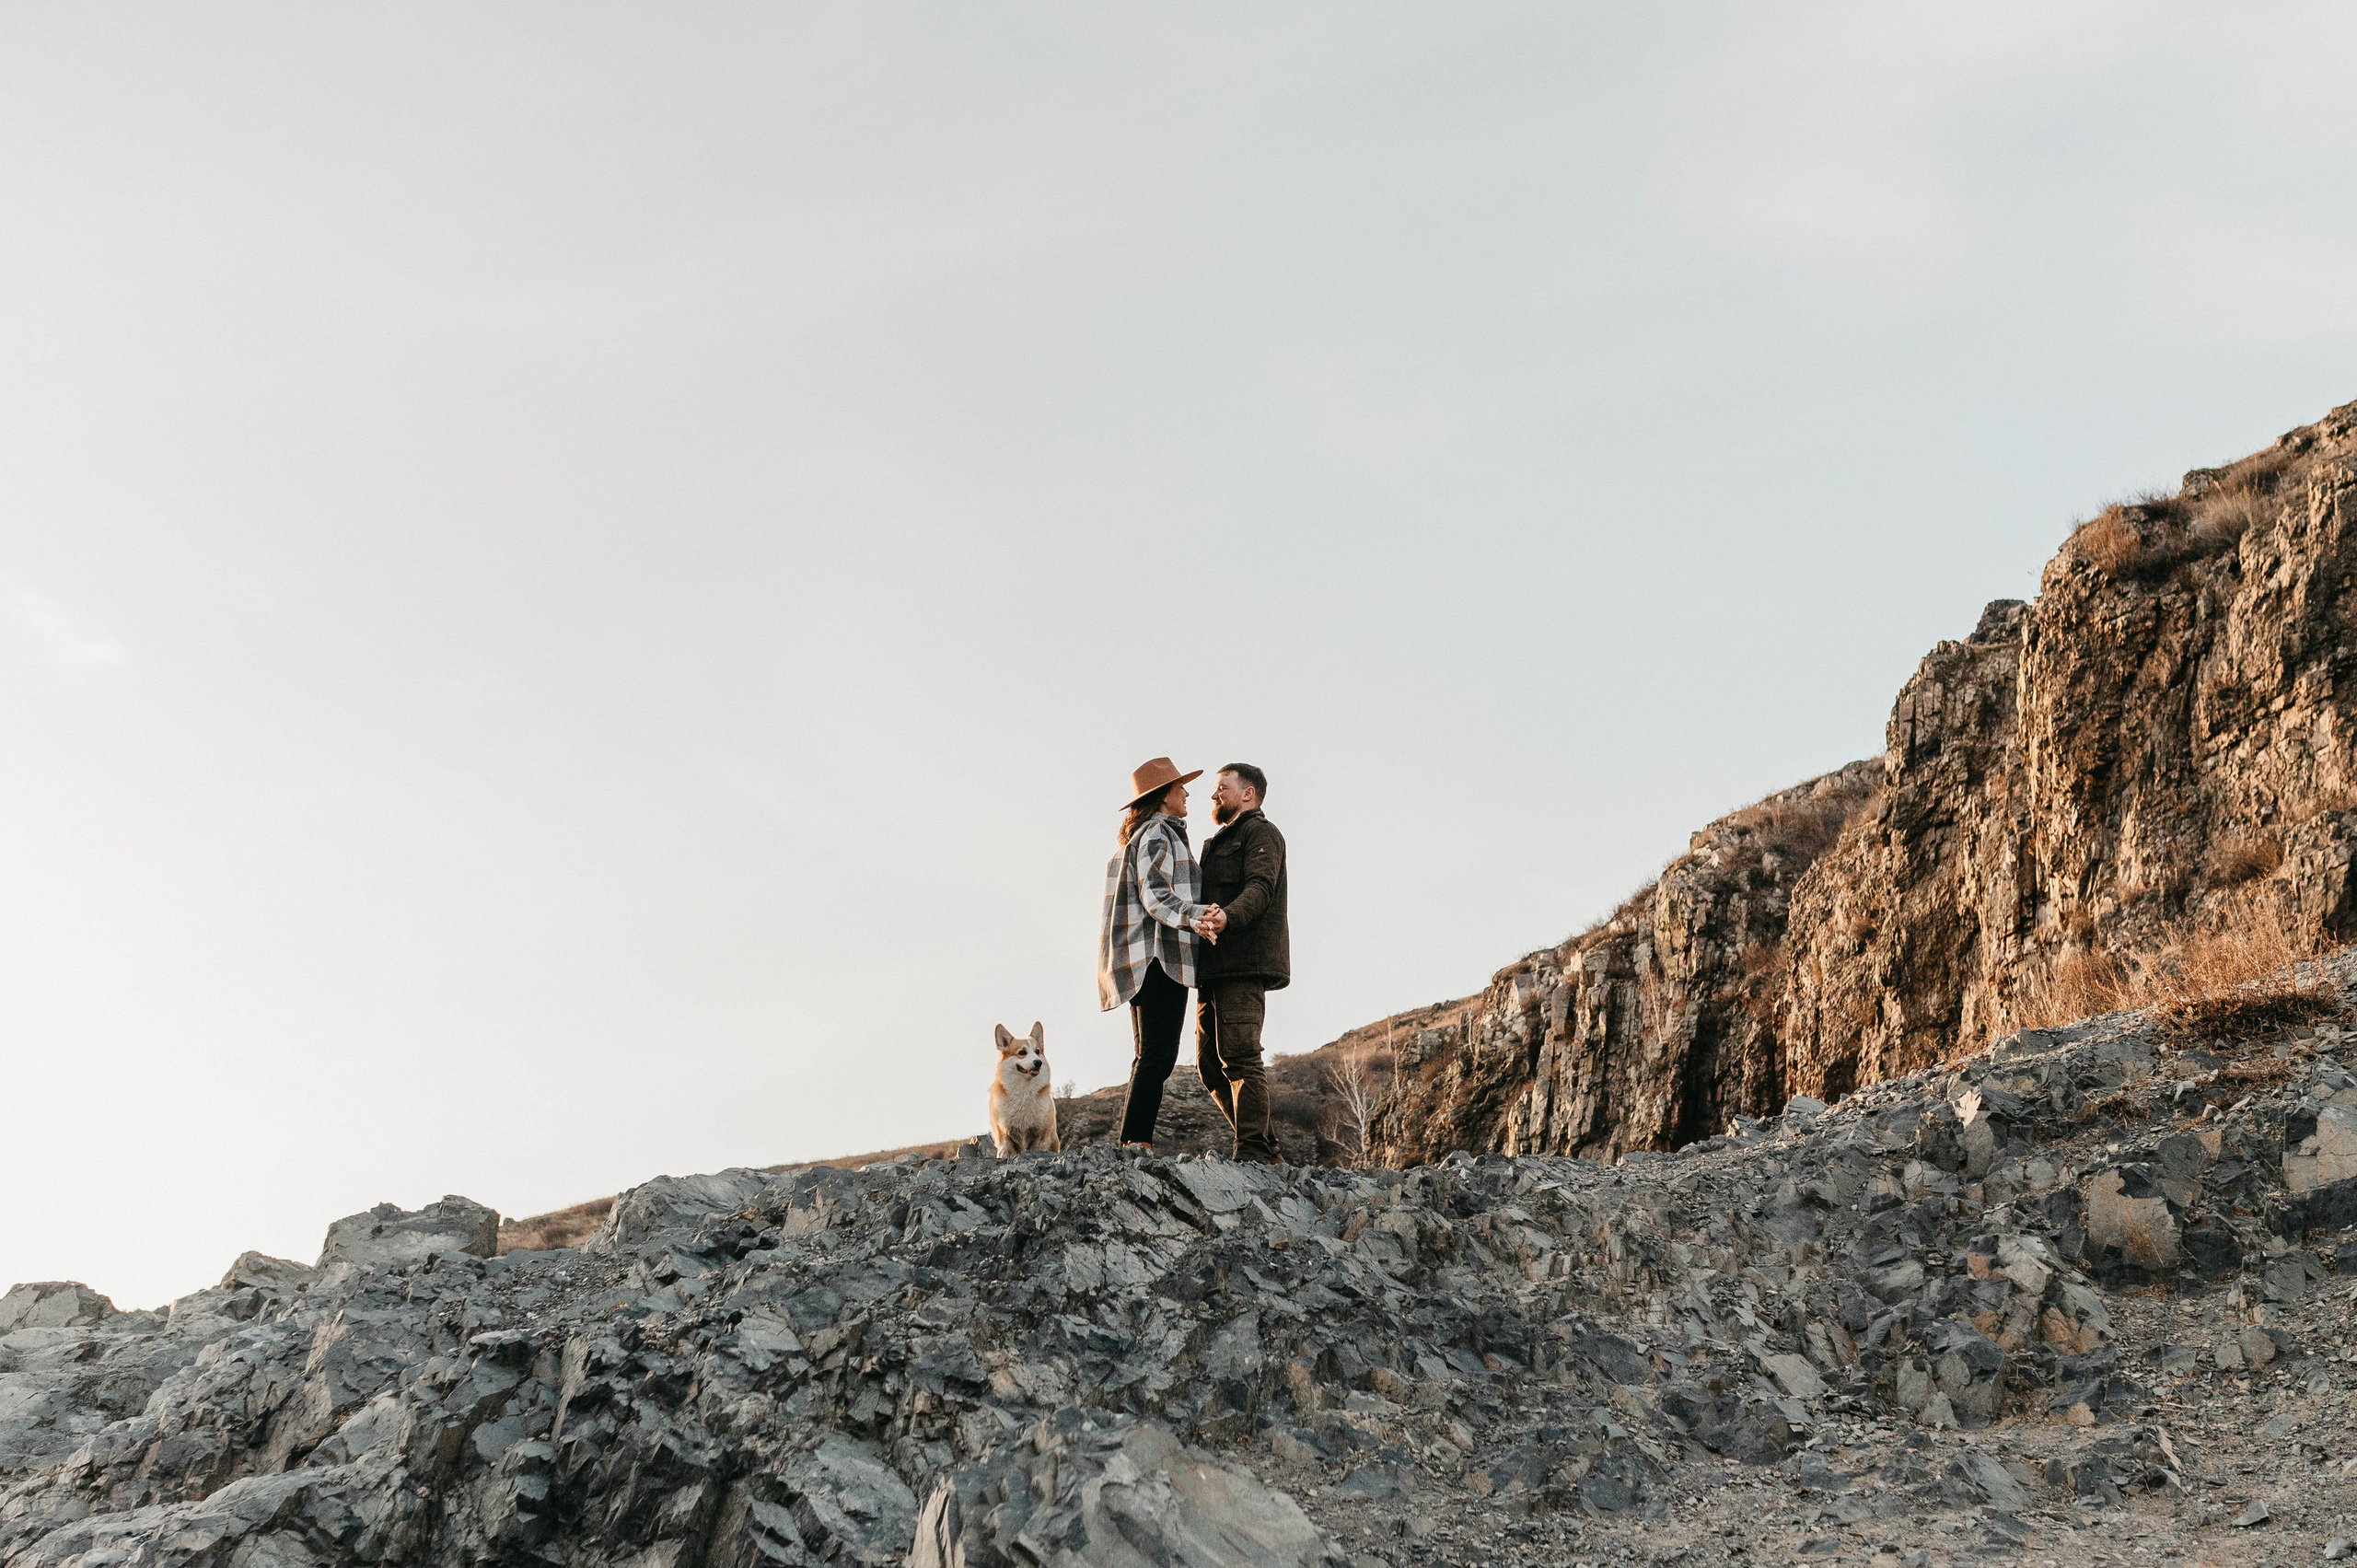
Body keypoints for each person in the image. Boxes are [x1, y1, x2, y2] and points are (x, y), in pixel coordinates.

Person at [1097, 757, 1211, 1154]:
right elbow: (1156, 895)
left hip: (1143, 960)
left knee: (1148, 1055)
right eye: (1180, 787)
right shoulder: (1159, 834)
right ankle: (1136, 1141)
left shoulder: (1142, 836)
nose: (1187, 793)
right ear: (1164, 796)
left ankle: (1133, 1138)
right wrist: (1195, 917)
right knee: (1158, 1057)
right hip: (1160, 958)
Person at [1191, 763, 1288, 1163]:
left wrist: (1228, 916)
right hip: (1211, 968)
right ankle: (1266, 1149)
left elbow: (1260, 888)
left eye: (1221, 788)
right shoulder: (1213, 844)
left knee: (1241, 1056)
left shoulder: (1261, 833)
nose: (1214, 795)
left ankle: (1251, 1153)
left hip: (1244, 964)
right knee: (1210, 1067)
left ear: (1247, 793)